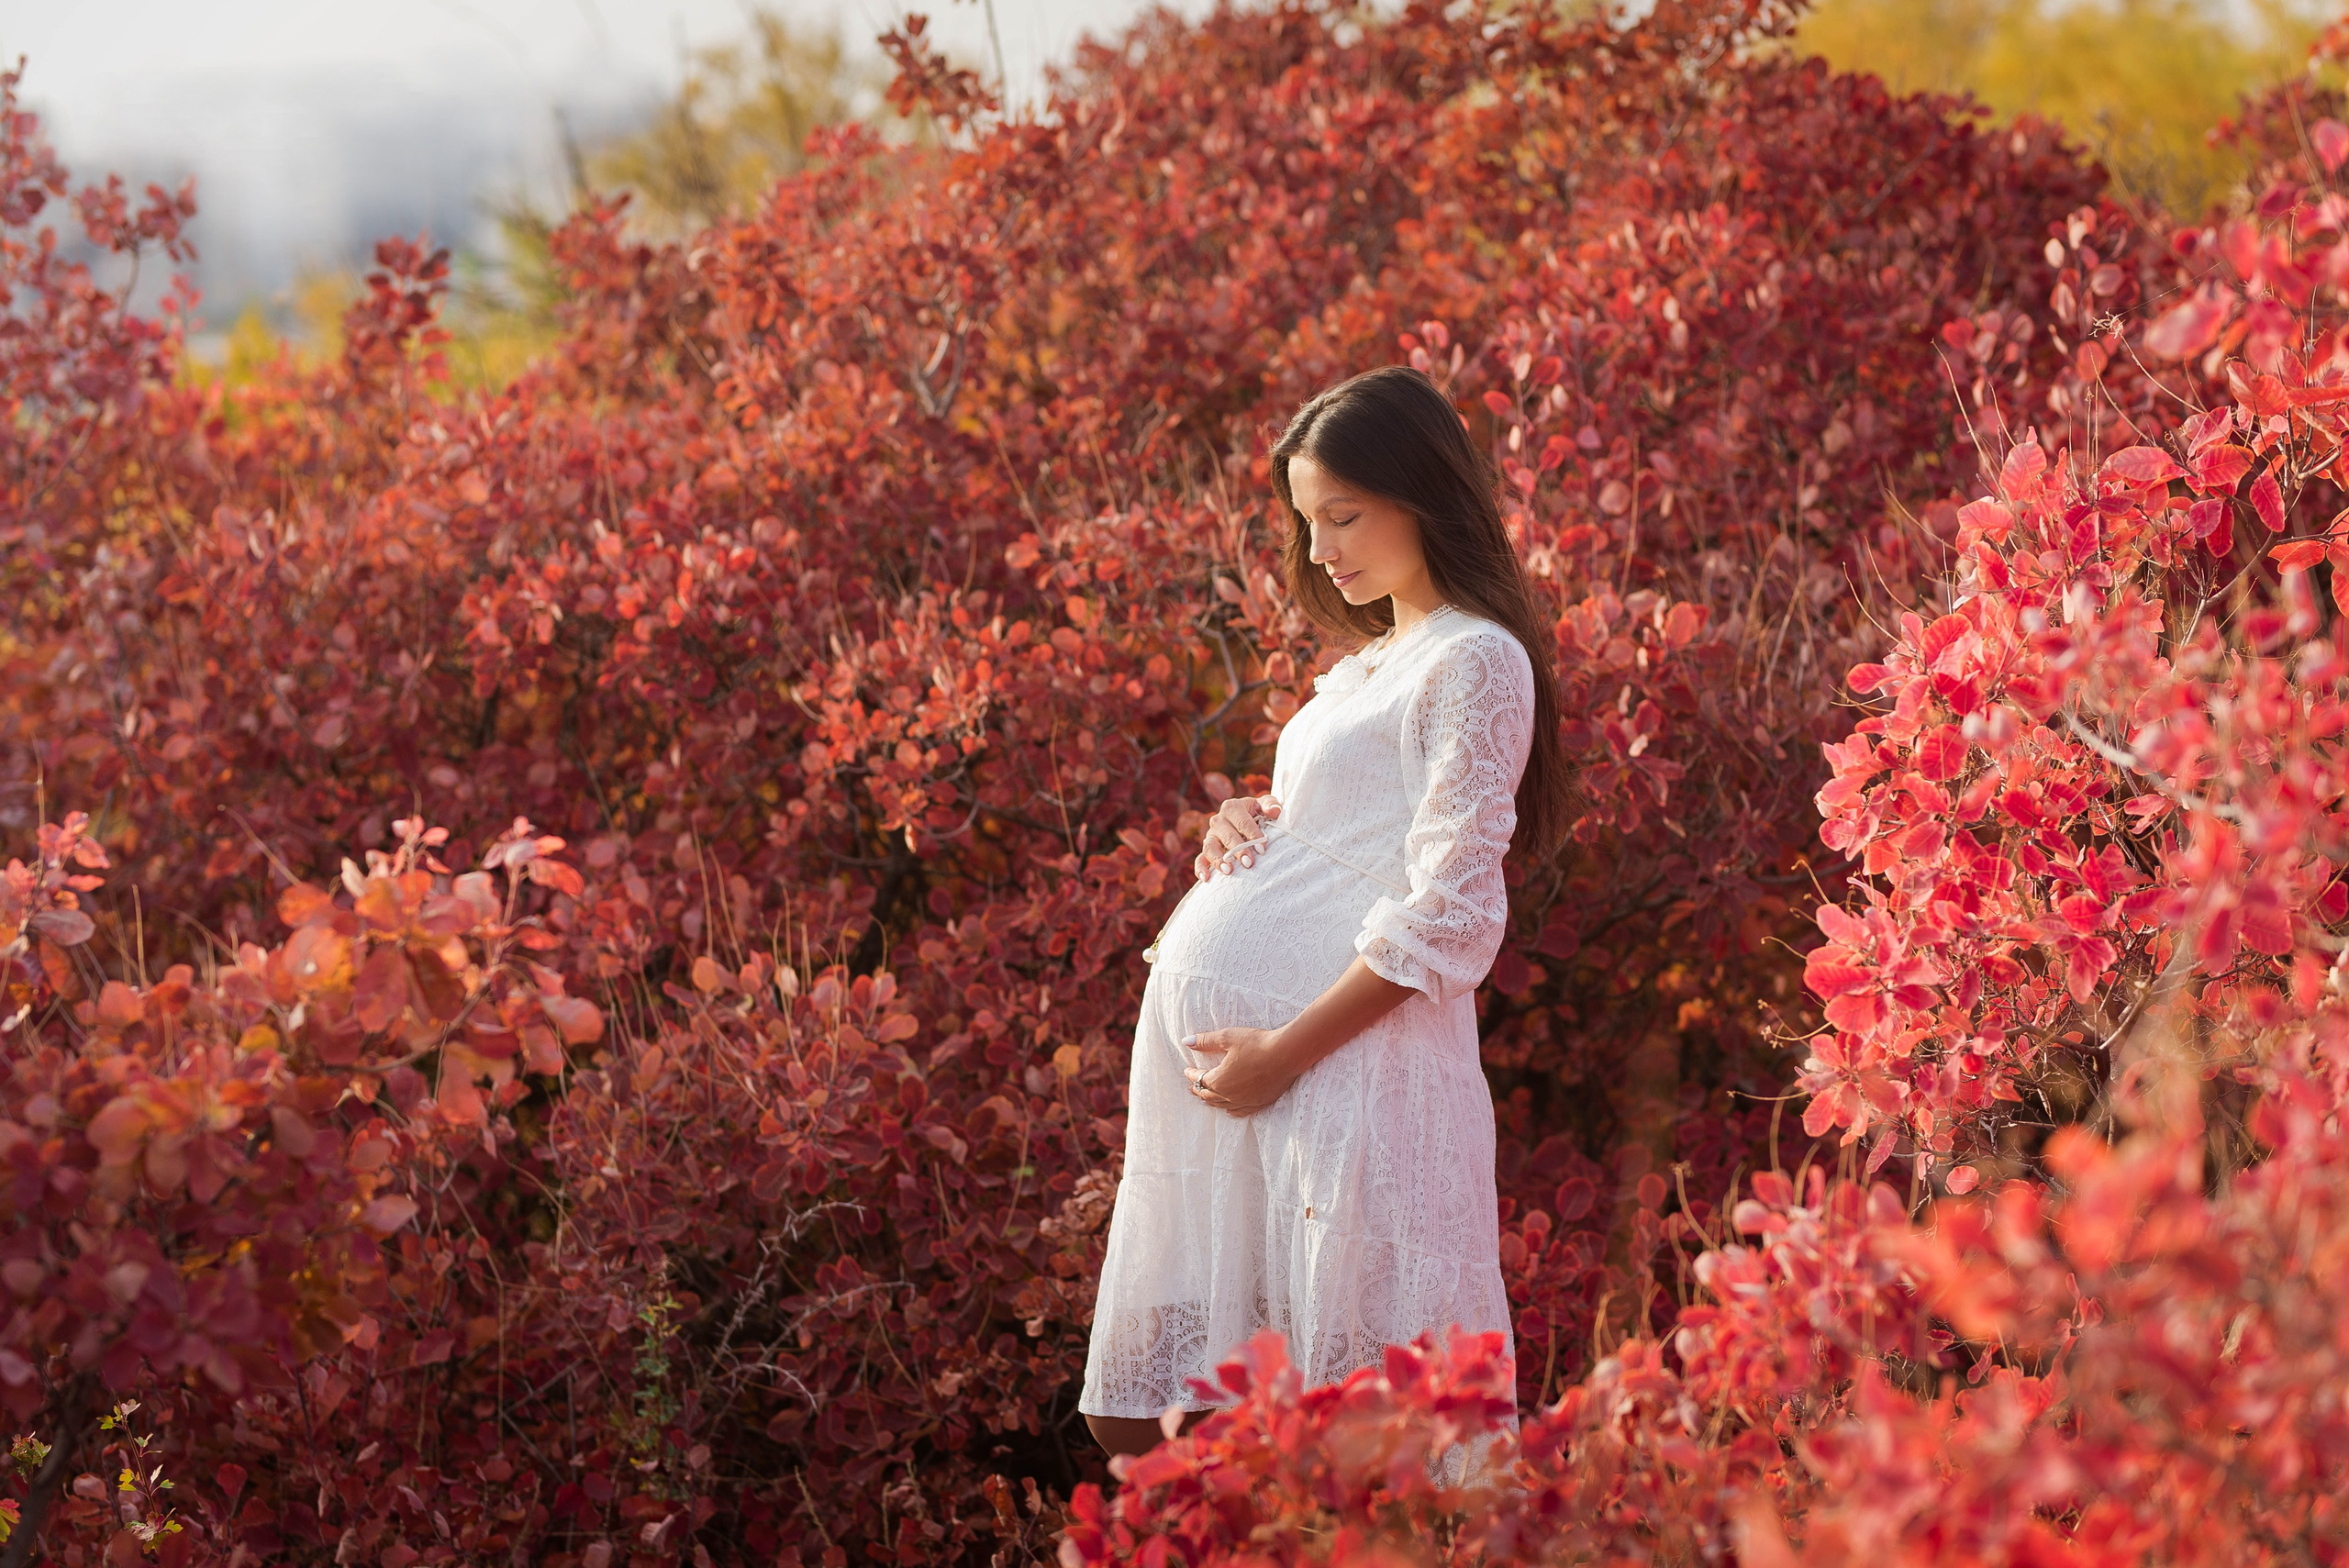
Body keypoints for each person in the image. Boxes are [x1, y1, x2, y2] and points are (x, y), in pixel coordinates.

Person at [1077, 364, 1575, 1466]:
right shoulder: (1363, 668)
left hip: (1342, 1074)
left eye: (1342, 516)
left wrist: (1281, 1053)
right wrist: (1248, 829)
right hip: (1255, 1086)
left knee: (1353, 1445)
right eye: (1307, 525)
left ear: (1423, 495)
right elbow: (1349, 838)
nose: (1320, 552)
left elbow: (1446, 913)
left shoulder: (1476, 657)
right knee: (1167, 1421)